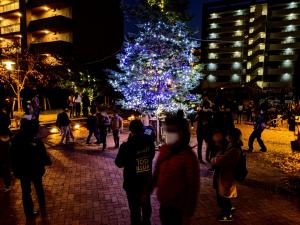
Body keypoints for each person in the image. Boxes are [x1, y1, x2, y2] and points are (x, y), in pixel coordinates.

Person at [152, 116, 199, 225]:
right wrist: (147, 191)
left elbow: (193, 187)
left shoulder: (188, 157)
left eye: (172, 131)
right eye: (168, 130)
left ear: (182, 133)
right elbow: (157, 172)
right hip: (164, 204)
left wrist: (187, 214)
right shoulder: (164, 150)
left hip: (179, 208)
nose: (168, 134)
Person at [115, 120, 155, 225]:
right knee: (146, 208)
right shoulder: (149, 141)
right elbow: (151, 156)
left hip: (132, 183)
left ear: (131, 130)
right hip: (146, 181)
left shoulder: (126, 146)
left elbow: (119, 163)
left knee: (134, 211)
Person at [11, 119, 52, 219]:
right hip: (35, 169)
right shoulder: (34, 138)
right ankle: (42, 208)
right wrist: (46, 161)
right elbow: (42, 152)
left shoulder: (16, 139)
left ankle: (29, 213)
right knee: (39, 189)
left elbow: (12, 156)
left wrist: (15, 170)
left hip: (23, 171)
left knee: (26, 192)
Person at [211, 128, 242, 222]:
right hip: (225, 174)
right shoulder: (232, 146)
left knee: (223, 194)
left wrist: (214, 159)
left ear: (232, 137)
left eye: (228, 135)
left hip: (227, 175)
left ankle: (227, 215)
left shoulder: (234, 149)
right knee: (223, 193)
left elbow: (220, 160)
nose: (227, 137)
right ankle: (228, 208)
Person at [0, 126, 11, 192]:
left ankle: (7, 185)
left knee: (5, 170)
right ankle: (7, 185)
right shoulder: (6, 131)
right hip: (6, 155)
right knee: (6, 170)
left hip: (4, 155)